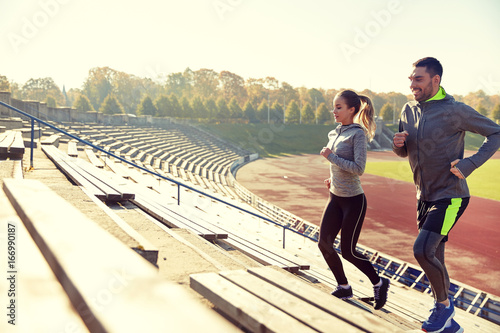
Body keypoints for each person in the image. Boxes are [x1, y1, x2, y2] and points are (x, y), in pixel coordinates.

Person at [393, 57, 500, 333]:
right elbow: (405, 150)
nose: (412, 83)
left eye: (418, 79)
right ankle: (449, 323)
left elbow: (496, 133)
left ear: (435, 80)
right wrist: (398, 146)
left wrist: (469, 164)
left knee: (422, 250)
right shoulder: (407, 109)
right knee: (435, 256)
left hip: (450, 195)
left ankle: (444, 306)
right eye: (411, 78)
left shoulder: (455, 111)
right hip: (423, 196)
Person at [319, 89, 390, 310]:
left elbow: (359, 169)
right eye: (334, 107)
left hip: (353, 202)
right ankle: (344, 287)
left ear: (352, 109)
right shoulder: (334, 133)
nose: (334, 111)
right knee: (324, 243)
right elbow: (338, 166)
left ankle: (379, 283)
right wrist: (331, 179)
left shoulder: (358, 134)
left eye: (339, 107)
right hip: (335, 198)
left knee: (348, 251)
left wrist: (331, 157)